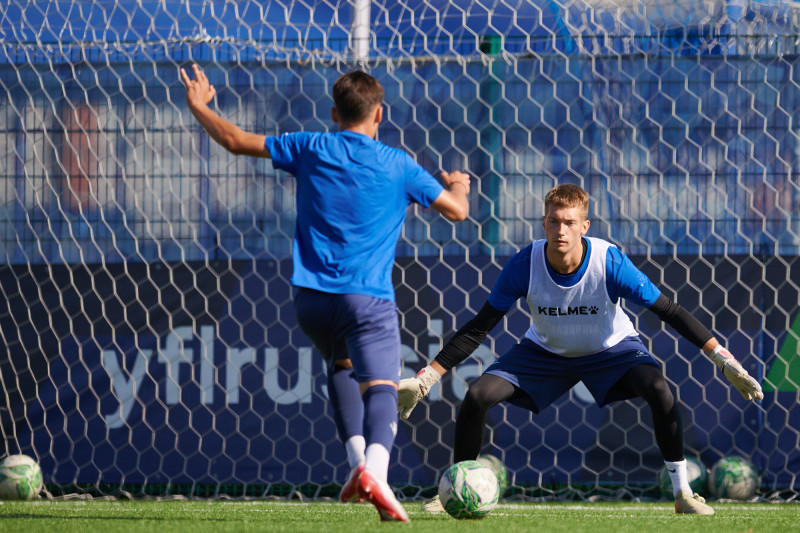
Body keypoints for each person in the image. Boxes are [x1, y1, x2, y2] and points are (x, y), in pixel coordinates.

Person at [182, 65, 471, 522]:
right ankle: (377, 469)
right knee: (381, 388)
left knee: (341, 364)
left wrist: (199, 105)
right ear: (380, 115)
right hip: (367, 301)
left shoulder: (310, 146)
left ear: (335, 113)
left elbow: (236, 141)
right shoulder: (398, 164)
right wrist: (459, 184)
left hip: (311, 301)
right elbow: (456, 212)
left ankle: (358, 466)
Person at [398, 183, 763, 515]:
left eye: (570, 222)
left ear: (584, 226)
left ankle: (683, 493)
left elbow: (671, 311)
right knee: (477, 395)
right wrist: (427, 378)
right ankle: (452, 490)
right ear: (543, 223)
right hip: (543, 353)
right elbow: (479, 327)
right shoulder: (526, 264)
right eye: (554, 222)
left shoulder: (610, 263)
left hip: (612, 350)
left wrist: (722, 358)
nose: (561, 230)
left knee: (659, 389)